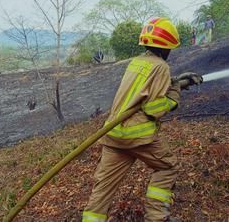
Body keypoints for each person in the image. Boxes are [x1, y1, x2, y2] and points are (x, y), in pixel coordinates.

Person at [82, 17, 203, 222]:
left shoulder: (137, 62)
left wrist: (174, 82)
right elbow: (153, 107)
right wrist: (174, 95)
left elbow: (142, 90)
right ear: (167, 47)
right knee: (168, 166)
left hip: (113, 133)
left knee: (104, 186)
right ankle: (157, 218)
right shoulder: (161, 67)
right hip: (137, 135)